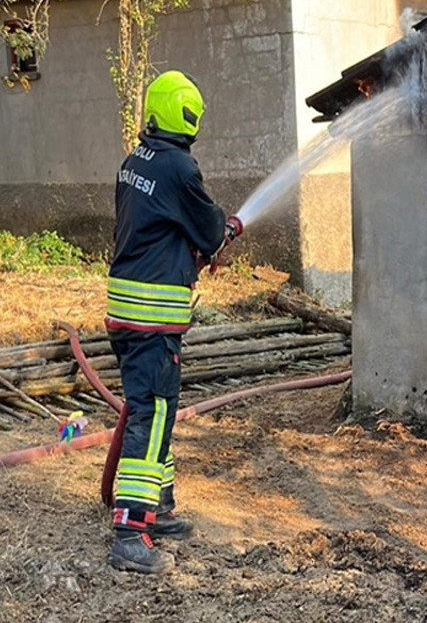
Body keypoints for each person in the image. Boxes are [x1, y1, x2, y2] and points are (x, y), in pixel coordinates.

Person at [104, 70, 241, 574]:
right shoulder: (181, 169)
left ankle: (156, 507)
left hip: (126, 311)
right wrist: (225, 231)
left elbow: (159, 228)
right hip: (152, 320)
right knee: (153, 414)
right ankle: (131, 534)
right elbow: (210, 232)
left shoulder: (135, 161)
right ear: (188, 117)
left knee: (152, 410)